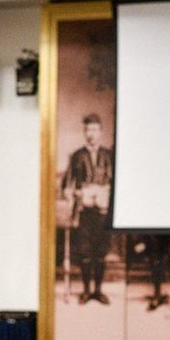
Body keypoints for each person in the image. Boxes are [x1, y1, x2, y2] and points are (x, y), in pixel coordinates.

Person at [61, 112, 114, 305]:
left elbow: (116, 182)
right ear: (84, 132)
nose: (91, 134)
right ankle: (85, 291)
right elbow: (67, 183)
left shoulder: (109, 155)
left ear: (101, 132)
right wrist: (70, 192)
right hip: (84, 211)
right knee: (84, 253)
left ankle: (98, 291)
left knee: (100, 253)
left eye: (95, 130)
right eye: (88, 130)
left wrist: (105, 192)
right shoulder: (77, 156)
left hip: (103, 211)